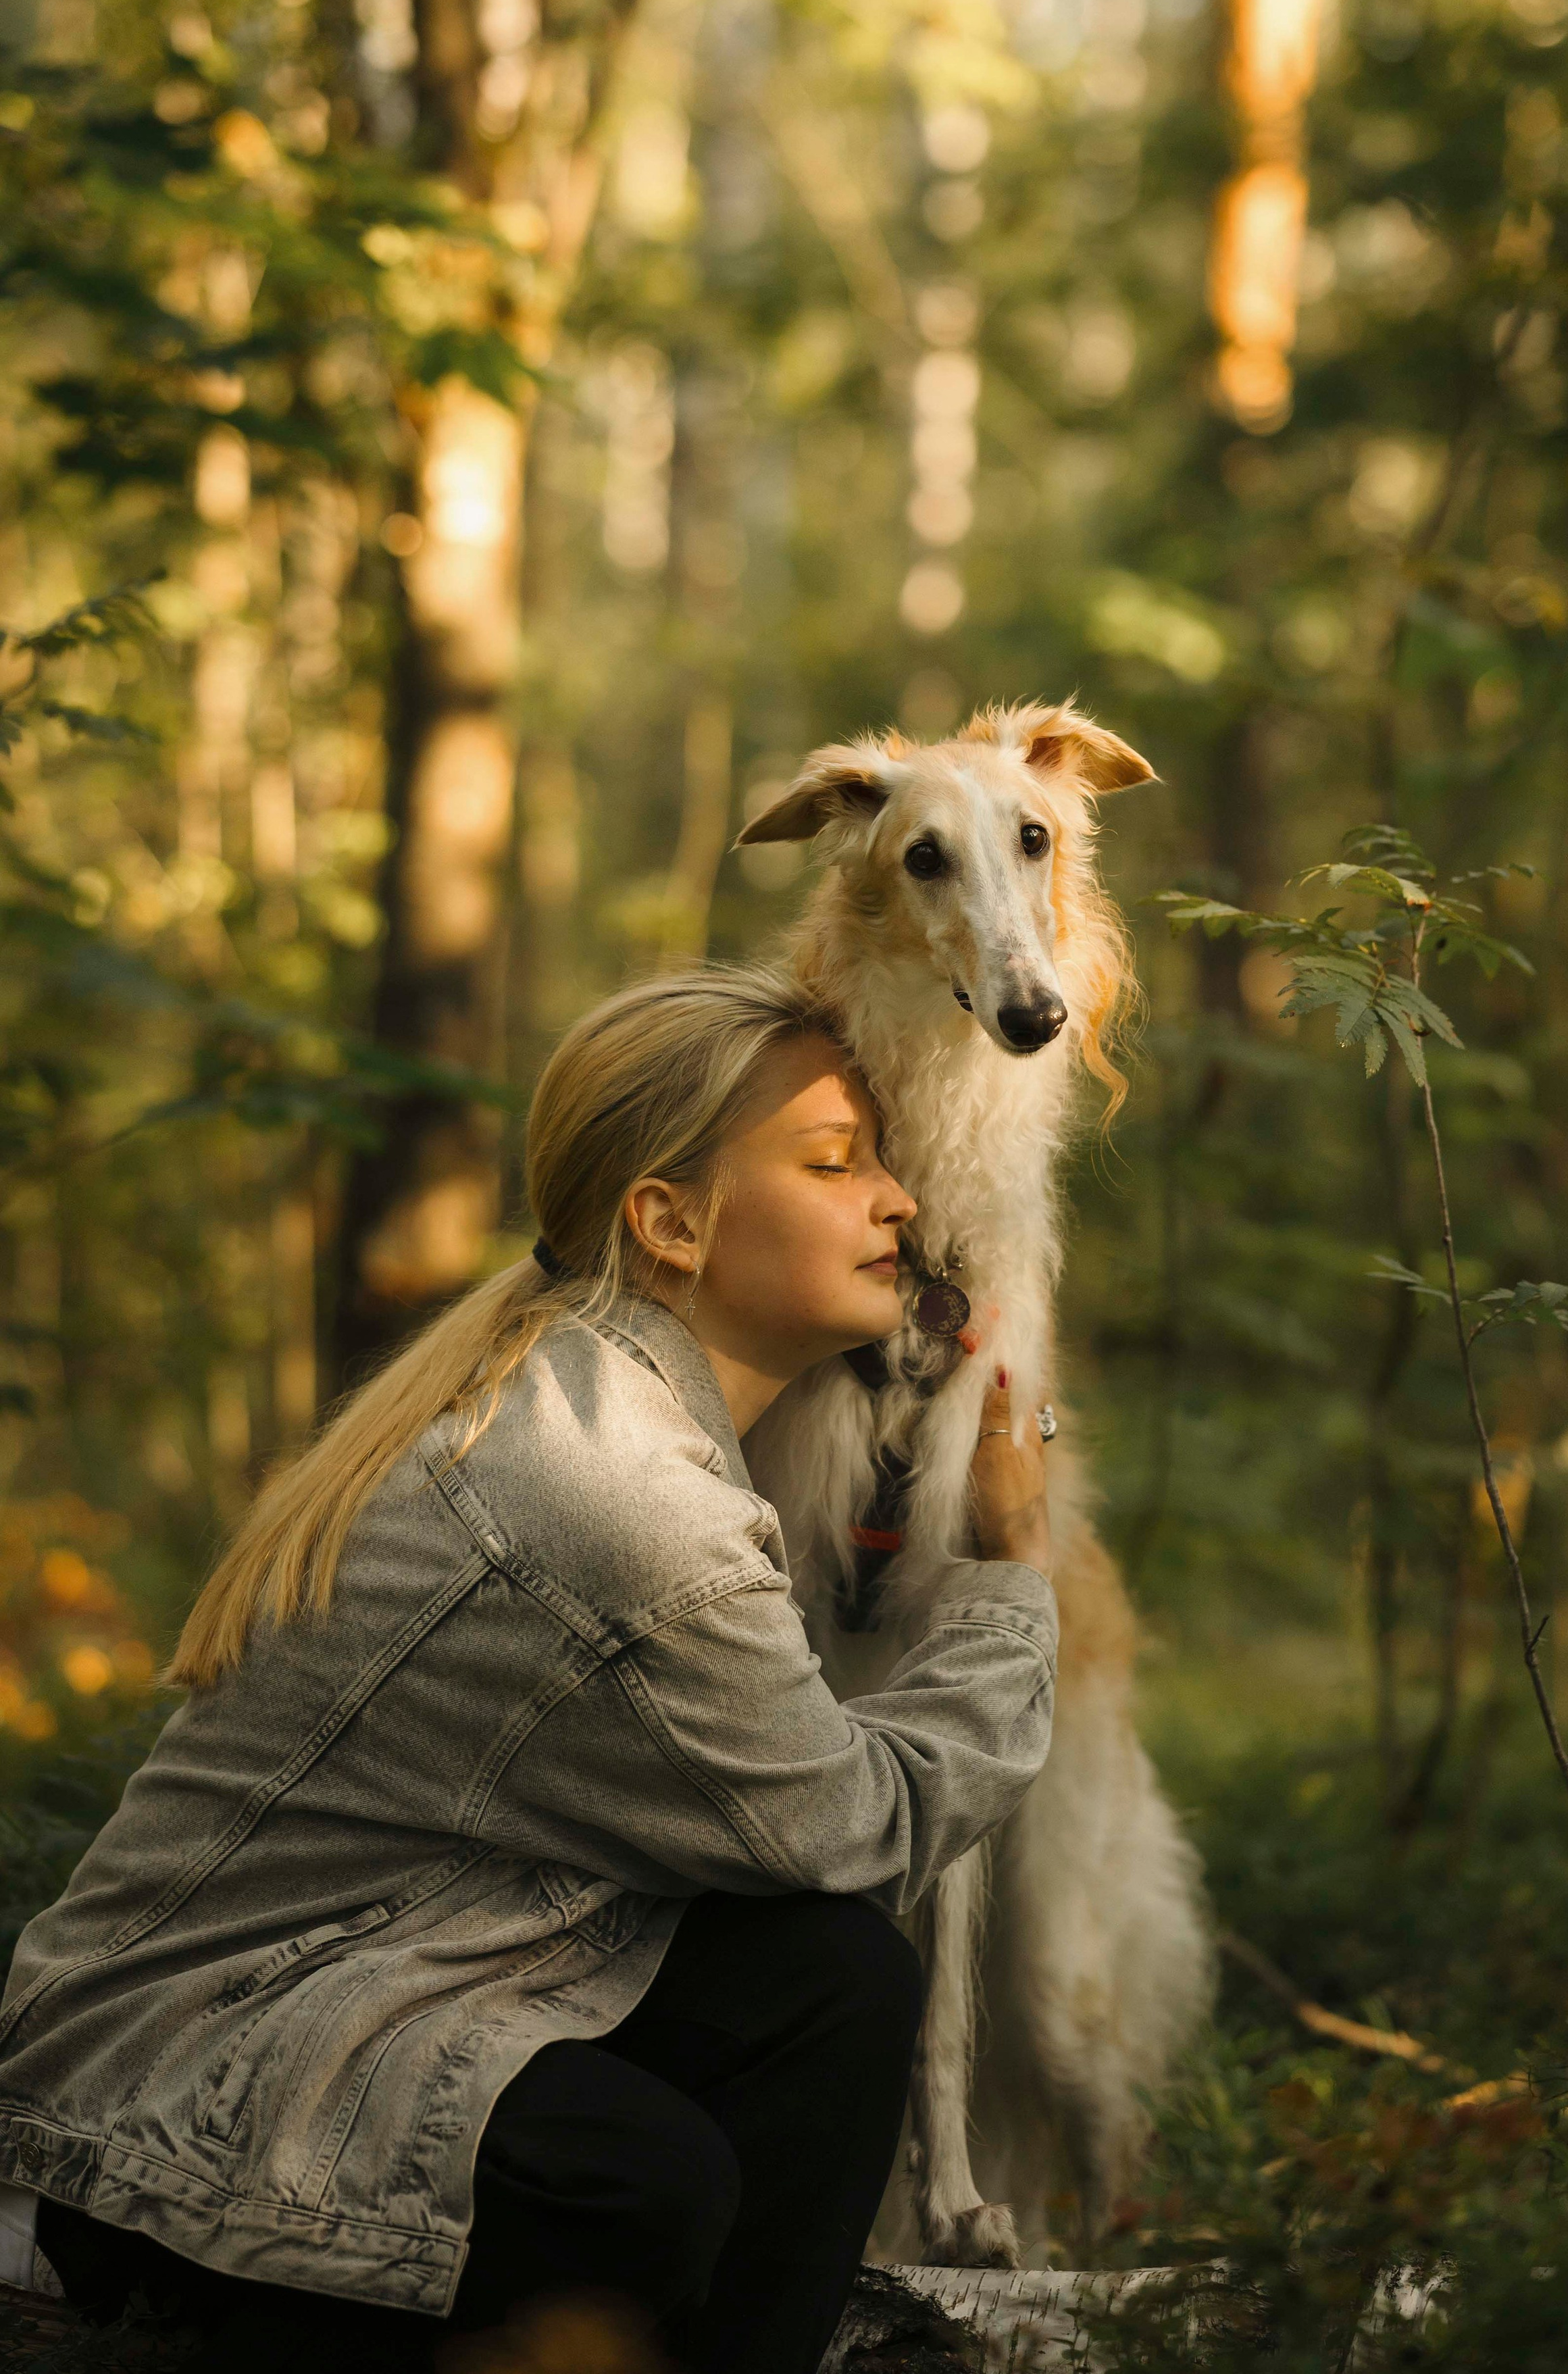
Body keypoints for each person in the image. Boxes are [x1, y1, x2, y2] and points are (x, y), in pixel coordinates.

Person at [0, 966, 1056, 2374]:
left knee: (831, 1984)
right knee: (632, 2181)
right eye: (833, 1160)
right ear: (668, 1222)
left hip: (403, 1985)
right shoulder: (616, 1498)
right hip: (157, 2096)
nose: (897, 1201)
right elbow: (851, 1828)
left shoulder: (598, 1400)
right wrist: (1007, 1580)